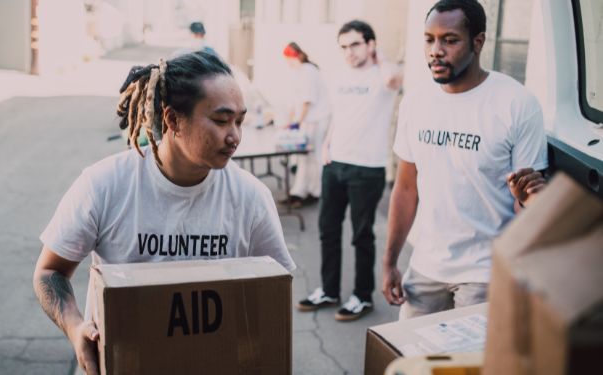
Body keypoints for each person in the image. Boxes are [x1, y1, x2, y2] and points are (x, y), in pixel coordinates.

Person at [33, 51, 296, 375]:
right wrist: (76, 329)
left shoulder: (250, 197)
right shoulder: (104, 185)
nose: (235, 136)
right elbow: (49, 273)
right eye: (220, 120)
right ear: (172, 120)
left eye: (239, 120)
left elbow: (273, 290)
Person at [382, 0, 547, 319]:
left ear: (478, 42)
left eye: (450, 39)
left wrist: (531, 199)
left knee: (470, 368)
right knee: (414, 363)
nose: (435, 50)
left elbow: (524, 203)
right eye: (429, 39)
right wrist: (390, 262)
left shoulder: (517, 104)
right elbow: (405, 190)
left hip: (485, 274)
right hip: (426, 268)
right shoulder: (415, 102)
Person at [296, 20, 402, 321]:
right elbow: (339, 116)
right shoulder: (339, 76)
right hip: (336, 164)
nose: (349, 52)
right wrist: (327, 147)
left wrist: (377, 55)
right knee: (328, 230)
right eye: (343, 46)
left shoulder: (382, 76)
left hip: (367, 169)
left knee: (361, 235)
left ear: (370, 44)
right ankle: (329, 290)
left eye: (355, 44)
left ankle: (362, 296)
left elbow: (395, 76)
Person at [281, 42, 331, 208]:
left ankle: (314, 192)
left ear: (296, 56)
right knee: (304, 158)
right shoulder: (302, 71)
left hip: (316, 120)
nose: (288, 63)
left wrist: (297, 122)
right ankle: (299, 191)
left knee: (313, 157)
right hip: (309, 120)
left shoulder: (308, 71)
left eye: (289, 59)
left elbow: (306, 101)